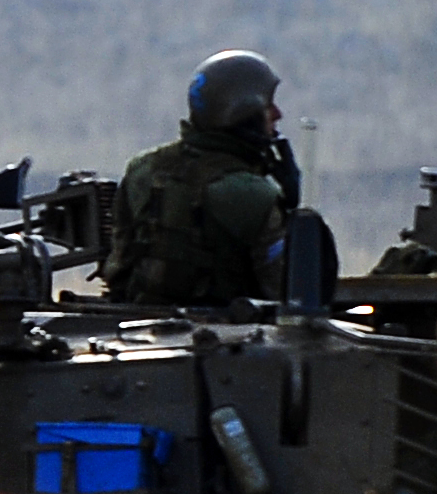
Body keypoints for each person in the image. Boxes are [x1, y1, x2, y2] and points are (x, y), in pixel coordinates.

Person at [113, 50, 303, 306]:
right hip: (231, 338)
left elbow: (118, 269)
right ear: (243, 111)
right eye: (268, 106)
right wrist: (290, 214)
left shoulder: (142, 170)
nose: (277, 114)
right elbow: (287, 294)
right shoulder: (254, 196)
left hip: (138, 328)